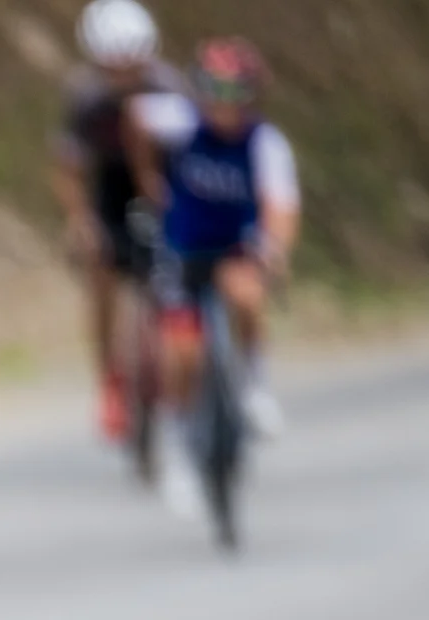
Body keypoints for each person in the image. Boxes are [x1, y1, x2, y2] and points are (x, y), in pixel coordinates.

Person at [154, 39, 301, 451]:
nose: (225, 104)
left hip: (236, 246)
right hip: (182, 248)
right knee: (182, 353)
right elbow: (131, 120)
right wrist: (149, 179)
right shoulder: (176, 123)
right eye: (215, 92)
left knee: (248, 295)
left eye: (236, 93)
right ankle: (179, 438)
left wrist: (276, 249)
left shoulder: (266, 142)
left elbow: (281, 207)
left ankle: (256, 386)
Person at [52, 0, 188, 446]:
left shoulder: (171, 87)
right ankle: (111, 378)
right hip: (111, 188)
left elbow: (195, 154)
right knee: (101, 268)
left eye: (132, 65)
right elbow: (68, 168)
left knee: (182, 272)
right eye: (113, 68)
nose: (124, 77)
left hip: (166, 184)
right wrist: (80, 221)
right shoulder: (85, 98)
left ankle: (187, 367)